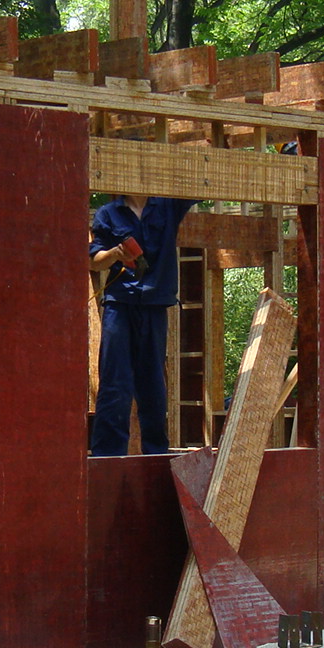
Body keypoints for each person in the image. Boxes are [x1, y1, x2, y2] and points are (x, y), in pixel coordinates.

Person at [90, 194, 198, 456]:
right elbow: (94, 260)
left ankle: (155, 454)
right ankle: (107, 458)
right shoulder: (108, 213)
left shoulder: (168, 204)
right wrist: (115, 254)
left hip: (155, 306)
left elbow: (197, 186)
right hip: (120, 305)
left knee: (152, 385)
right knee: (115, 384)